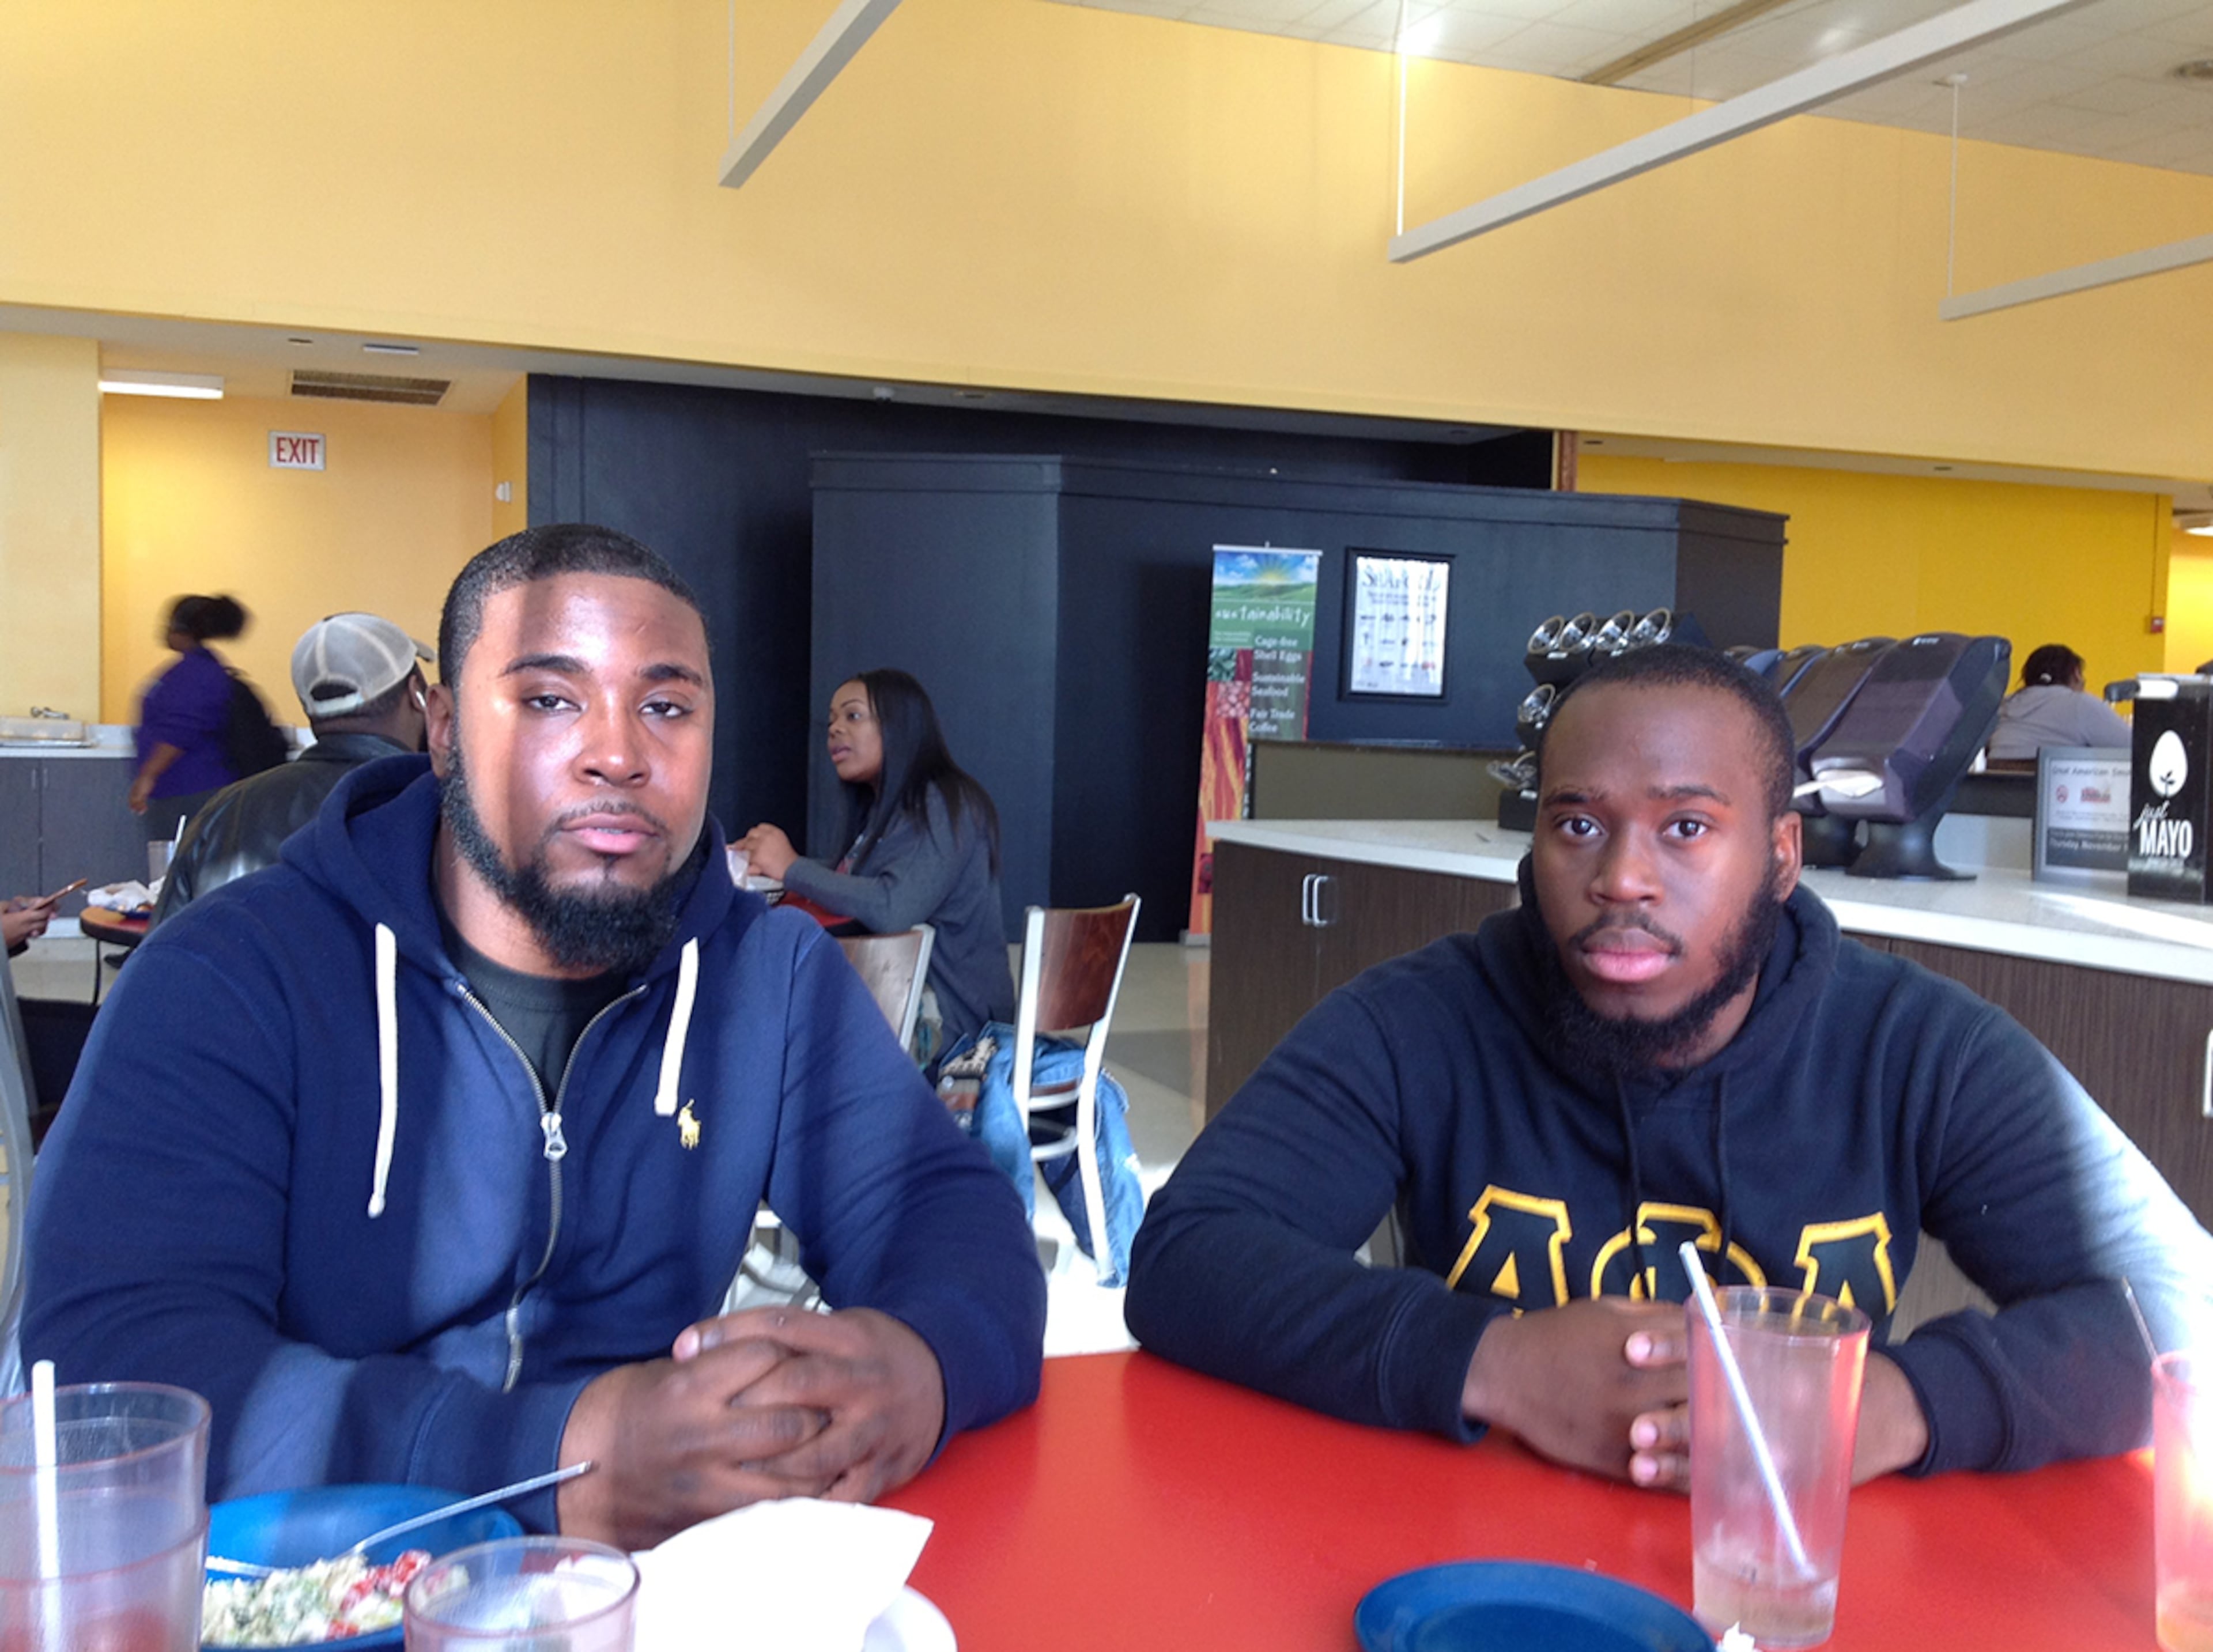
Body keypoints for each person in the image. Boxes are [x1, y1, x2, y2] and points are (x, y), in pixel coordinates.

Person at [25, 524, 1047, 1548]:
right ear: (441, 727)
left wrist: (922, 1362)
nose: (619, 752)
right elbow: (121, 1371)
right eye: (551, 699)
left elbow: (941, 1209)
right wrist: (554, 1460)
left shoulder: (764, 977)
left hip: (651, 1590)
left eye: (667, 706)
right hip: (322, 1584)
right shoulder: (231, 976)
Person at [1126, 643, 2213, 1489]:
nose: (1622, 877)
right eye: (1578, 824)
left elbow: (2181, 1302)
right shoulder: (1424, 1020)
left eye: (1686, 826)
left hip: (1790, 1571)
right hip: (1469, 1565)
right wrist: (1489, 1361)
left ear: (1781, 856)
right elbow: (1187, 1253)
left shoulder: (1917, 1048)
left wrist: (1896, 1403)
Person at [737, 670, 1014, 1063]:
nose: (835, 730)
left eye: (853, 716)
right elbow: (857, 879)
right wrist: (766, 863)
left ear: (900, 725)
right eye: (832, 719)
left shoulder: (946, 803)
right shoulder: (887, 806)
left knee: (768, 1027)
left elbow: (892, 907)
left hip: (951, 1028)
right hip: (899, 998)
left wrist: (792, 866)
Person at [150, 612, 433, 929]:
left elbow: (163, 950)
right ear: (418, 696)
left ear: (309, 708)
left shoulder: (225, 811)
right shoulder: (439, 807)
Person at [130, 594, 256, 840]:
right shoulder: (195, 670)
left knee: (181, 868)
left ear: (182, 628)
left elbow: (181, 729)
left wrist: (148, 775)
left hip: (190, 792)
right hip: (182, 791)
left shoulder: (196, 673)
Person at [1985, 643, 2132, 759]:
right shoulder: (2080, 704)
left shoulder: (2004, 705)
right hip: (2057, 792)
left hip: (1997, 792)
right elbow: (2137, 748)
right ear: (2076, 674)